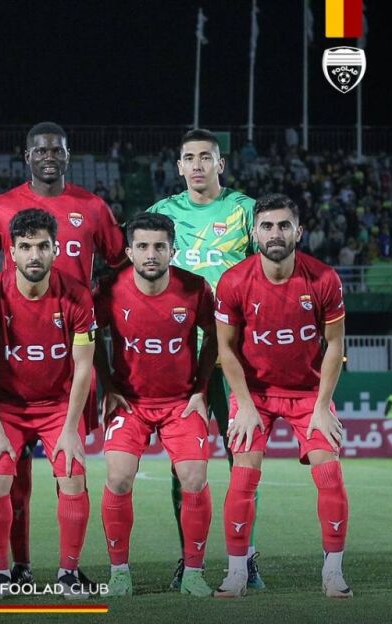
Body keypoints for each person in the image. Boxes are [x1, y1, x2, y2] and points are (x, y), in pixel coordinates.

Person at [0, 122, 126, 585]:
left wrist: (107, 306)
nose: (49, 155)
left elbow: (122, 265)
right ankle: (11, 569)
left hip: (66, 368)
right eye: (40, 149)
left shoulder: (93, 207)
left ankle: (66, 572)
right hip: (12, 380)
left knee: (70, 470)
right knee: (7, 476)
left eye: (57, 149)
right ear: (27, 156)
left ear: (68, 154)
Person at [213, 193, 351, 598]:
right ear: (255, 233)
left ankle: (333, 573)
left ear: (298, 231)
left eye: (284, 225)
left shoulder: (324, 279)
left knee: (329, 472)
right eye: (267, 226)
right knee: (244, 473)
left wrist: (322, 406)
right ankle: (236, 572)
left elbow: (334, 345)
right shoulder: (233, 281)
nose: (275, 233)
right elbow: (226, 350)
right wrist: (243, 405)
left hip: (308, 392)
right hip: (254, 392)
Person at [145, 128, 264, 590]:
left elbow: (269, 272)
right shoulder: (162, 213)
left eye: (205, 157)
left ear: (220, 164)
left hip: (236, 359)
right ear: (179, 167)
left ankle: (244, 559)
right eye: (189, 158)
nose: (197, 165)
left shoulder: (245, 210)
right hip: (181, 360)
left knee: (243, 463)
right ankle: (188, 559)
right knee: (185, 466)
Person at [0, 209, 96, 599]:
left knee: (72, 474)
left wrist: (71, 428)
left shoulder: (77, 295)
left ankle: (68, 574)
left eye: (42, 246)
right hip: (8, 406)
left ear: (56, 249)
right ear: (11, 252)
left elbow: (83, 366)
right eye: (25, 247)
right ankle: (1, 574)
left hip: (58, 405)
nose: (34, 255)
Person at [93, 213, 217, 597]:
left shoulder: (194, 288)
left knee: (194, 478)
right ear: (129, 252)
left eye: (160, 246)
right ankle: (119, 573)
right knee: (118, 477)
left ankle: (193, 573)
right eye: (143, 246)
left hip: (181, 403)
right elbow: (92, 337)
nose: (151, 254)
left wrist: (201, 390)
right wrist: (107, 386)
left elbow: (215, 336)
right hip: (130, 403)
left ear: (172, 251)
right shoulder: (110, 290)